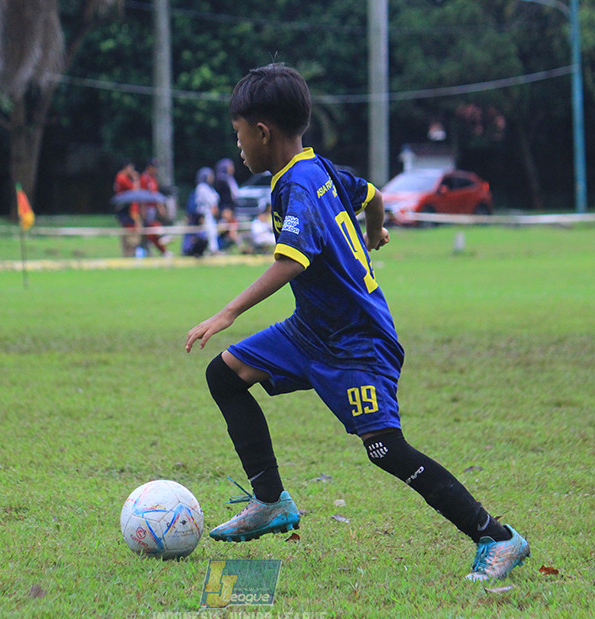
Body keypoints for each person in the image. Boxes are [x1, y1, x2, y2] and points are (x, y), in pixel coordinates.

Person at [184, 65, 529, 581]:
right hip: (311, 330)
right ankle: (271, 502)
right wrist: (376, 232)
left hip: (358, 342)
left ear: (262, 132)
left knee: (386, 450)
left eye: (238, 136)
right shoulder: (317, 168)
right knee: (224, 375)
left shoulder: (297, 186)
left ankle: (497, 537)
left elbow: (292, 261)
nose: (238, 149)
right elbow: (372, 195)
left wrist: (227, 312)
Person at [139, 159, 171, 257]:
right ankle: (161, 236)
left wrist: (160, 207)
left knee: (151, 231)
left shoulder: (153, 180)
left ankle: (160, 248)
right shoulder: (144, 179)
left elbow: (155, 195)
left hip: (153, 208)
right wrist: (143, 209)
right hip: (147, 208)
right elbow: (142, 195)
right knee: (151, 228)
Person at [113, 159, 143, 257]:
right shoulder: (122, 178)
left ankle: (128, 253)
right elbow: (134, 190)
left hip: (127, 209)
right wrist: (135, 179)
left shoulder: (121, 177)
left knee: (127, 234)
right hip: (127, 211)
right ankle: (129, 254)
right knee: (131, 234)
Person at [213, 158, 240, 251]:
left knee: (230, 229)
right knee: (223, 228)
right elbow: (222, 197)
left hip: (230, 208)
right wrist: (225, 209)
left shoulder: (229, 179)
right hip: (225, 209)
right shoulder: (221, 179)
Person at [193, 167, 220, 255]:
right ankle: (212, 249)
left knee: (212, 231)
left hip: (210, 212)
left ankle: (213, 249)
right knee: (209, 231)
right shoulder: (201, 187)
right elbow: (211, 200)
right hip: (205, 213)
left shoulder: (209, 187)